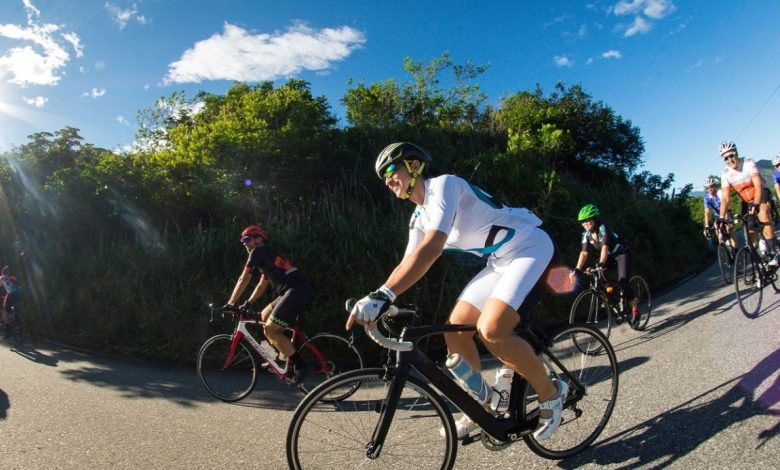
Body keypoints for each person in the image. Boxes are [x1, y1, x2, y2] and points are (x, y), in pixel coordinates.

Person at [346, 142, 567, 441]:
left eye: (390, 170)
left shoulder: (444, 186)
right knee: (455, 329)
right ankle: (481, 407)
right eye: (383, 178)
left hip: (529, 246)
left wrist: (385, 295)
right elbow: (410, 262)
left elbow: (433, 247)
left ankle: (552, 394)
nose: (387, 180)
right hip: (500, 261)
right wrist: (379, 297)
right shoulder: (418, 217)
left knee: (493, 331)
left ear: (414, 165)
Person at [224, 225, 314, 383]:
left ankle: (301, 366)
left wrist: (231, 302)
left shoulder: (258, 252)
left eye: (247, 239)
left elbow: (244, 279)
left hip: (295, 291)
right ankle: (279, 357)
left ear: (259, 239)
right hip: (291, 291)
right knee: (264, 316)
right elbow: (261, 285)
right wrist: (248, 303)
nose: (244, 243)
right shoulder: (267, 256)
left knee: (270, 329)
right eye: (242, 240)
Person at [569, 204, 639, 325]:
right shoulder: (585, 235)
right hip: (609, 256)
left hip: (622, 254)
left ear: (595, 219)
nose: (584, 223)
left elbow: (605, 247)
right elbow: (584, 252)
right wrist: (577, 268)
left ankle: (635, 309)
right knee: (599, 278)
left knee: (623, 281)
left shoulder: (603, 229)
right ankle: (614, 303)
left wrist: (601, 263)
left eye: (587, 220)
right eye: (582, 221)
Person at [718, 140, 780, 268]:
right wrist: (721, 218)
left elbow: (758, 185)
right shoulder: (725, 173)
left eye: (731, 155)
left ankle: (774, 252)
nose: (729, 160)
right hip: (746, 201)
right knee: (750, 229)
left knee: (762, 213)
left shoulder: (747, 162)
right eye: (726, 158)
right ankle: (760, 260)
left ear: (736, 153)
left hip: (760, 194)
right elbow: (725, 198)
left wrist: (756, 204)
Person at [702, 178, 737, 248]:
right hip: (717, 215)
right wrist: (707, 226)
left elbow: (725, 206)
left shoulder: (720, 193)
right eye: (707, 188)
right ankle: (723, 250)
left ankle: (735, 250)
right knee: (718, 233)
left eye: (711, 187)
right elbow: (707, 212)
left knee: (729, 230)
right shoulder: (706, 198)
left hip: (726, 212)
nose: (709, 189)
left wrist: (726, 220)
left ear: (715, 186)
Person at [1, 266, 21, 339]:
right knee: (14, 307)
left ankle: (8, 331)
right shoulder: (13, 278)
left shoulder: (2, 278)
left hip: (10, 294)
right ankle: (17, 320)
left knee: (4, 310)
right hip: (18, 294)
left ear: (3, 272)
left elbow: (1, 286)